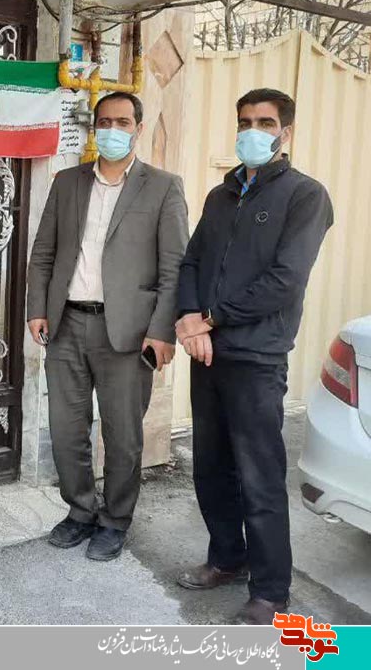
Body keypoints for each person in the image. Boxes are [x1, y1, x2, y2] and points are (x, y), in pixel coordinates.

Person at [174, 88, 333, 625]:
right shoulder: (221, 195)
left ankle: (270, 591)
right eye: (245, 121)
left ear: (285, 132)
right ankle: (227, 558)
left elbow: (286, 280)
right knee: (211, 466)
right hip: (208, 353)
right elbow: (192, 261)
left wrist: (212, 318)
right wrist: (189, 317)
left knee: (259, 475)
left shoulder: (305, 196)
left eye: (265, 122)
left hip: (257, 357)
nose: (253, 131)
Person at [26, 92, 189, 561]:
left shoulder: (163, 187)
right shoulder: (68, 182)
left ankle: (115, 520)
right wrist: (38, 308)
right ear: (94, 127)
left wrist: (162, 331)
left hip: (129, 334)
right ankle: (80, 511)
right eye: (104, 122)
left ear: (138, 128)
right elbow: (44, 252)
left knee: (123, 436)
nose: (112, 130)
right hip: (66, 325)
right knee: (66, 429)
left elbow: (175, 267)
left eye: (122, 122)